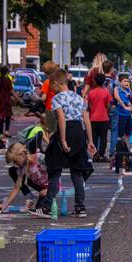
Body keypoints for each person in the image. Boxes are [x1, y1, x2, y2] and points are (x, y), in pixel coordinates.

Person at [35, 69, 95, 218]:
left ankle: (47, 206)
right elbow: (86, 119)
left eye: (51, 84)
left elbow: (61, 118)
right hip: (79, 132)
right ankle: (80, 207)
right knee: (77, 171)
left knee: (55, 168)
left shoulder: (57, 98)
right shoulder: (79, 98)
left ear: (56, 83)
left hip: (65, 130)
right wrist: (90, 141)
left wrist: (62, 139)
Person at [0, 142, 48, 213]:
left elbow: (56, 174)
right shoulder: (22, 168)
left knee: (43, 210)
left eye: (15, 161)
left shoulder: (40, 158)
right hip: (42, 188)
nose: (15, 164)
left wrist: (49, 189)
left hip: (52, 186)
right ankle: (32, 198)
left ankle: (46, 196)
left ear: (22, 154)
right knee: (12, 170)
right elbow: (16, 188)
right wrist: (4, 205)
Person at [86, 73, 112, 162]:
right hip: (104, 118)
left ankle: (95, 155)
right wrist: (106, 112)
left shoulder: (91, 92)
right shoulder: (106, 92)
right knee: (103, 138)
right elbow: (108, 106)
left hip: (93, 118)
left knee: (94, 138)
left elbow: (89, 106)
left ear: (95, 81)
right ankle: (101, 154)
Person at [112, 74, 132, 159]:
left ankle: (125, 149)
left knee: (128, 133)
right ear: (120, 82)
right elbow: (117, 97)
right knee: (120, 134)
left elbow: (131, 100)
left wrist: (131, 104)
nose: (126, 83)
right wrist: (125, 106)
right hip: (121, 114)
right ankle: (118, 151)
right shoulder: (117, 89)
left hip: (128, 114)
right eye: (124, 81)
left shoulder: (128, 90)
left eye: (127, 81)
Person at [0, 65, 14, 137]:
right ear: (7, 72)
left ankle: (1, 133)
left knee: (1, 116)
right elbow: (11, 91)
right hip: (6, 100)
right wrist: (17, 99)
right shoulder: (8, 80)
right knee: (8, 115)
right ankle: (7, 131)